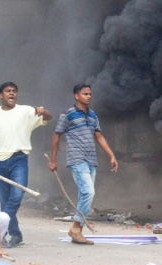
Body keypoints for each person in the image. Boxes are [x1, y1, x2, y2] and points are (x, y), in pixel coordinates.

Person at [0, 82, 51, 247]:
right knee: (4, 201)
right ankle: (16, 236)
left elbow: (48, 118)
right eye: (8, 91)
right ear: (0, 95)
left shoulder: (26, 111)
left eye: (14, 91)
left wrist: (43, 112)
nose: (11, 94)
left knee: (16, 196)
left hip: (19, 160)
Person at [49, 84, 116, 245]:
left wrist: (111, 155)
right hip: (76, 159)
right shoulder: (67, 115)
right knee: (88, 192)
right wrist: (53, 160)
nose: (89, 96)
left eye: (90, 94)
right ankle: (75, 228)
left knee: (84, 194)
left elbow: (99, 136)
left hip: (91, 160)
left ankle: (77, 232)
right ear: (76, 96)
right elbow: (56, 136)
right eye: (85, 94)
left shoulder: (92, 115)